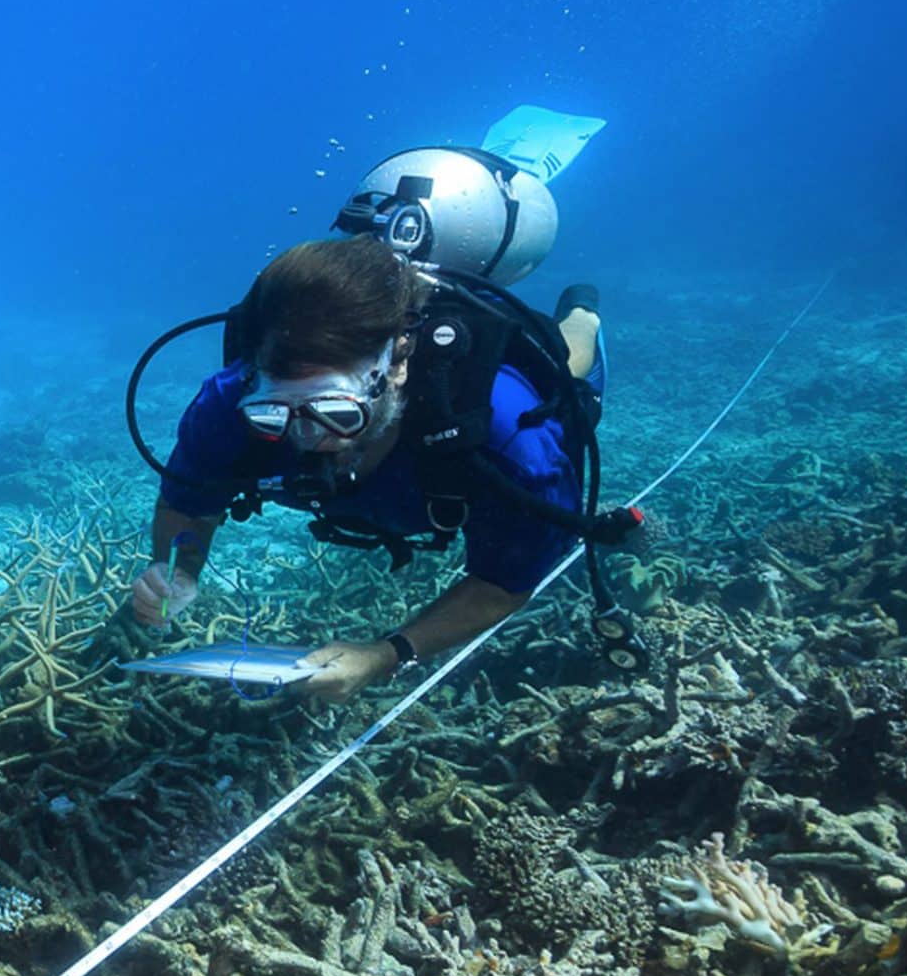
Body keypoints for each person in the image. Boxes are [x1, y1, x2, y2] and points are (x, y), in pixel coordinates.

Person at [124, 222, 610, 701]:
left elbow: (504, 584)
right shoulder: (226, 406)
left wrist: (385, 655)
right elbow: (186, 507)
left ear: (397, 363)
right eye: (274, 415)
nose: (309, 436)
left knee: (566, 362)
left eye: (336, 411)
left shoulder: (507, 434)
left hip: (512, 386)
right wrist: (179, 569)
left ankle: (584, 314)